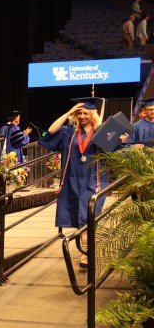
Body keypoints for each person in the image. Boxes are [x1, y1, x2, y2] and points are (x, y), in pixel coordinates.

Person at [39, 97, 128, 268]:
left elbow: (115, 152)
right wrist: (69, 112)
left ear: (93, 115)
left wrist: (120, 141)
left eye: (86, 113)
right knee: (79, 217)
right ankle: (87, 252)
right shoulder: (69, 133)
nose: (82, 116)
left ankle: (87, 252)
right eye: (79, 113)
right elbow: (51, 131)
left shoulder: (101, 132)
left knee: (88, 216)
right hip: (72, 180)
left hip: (94, 180)